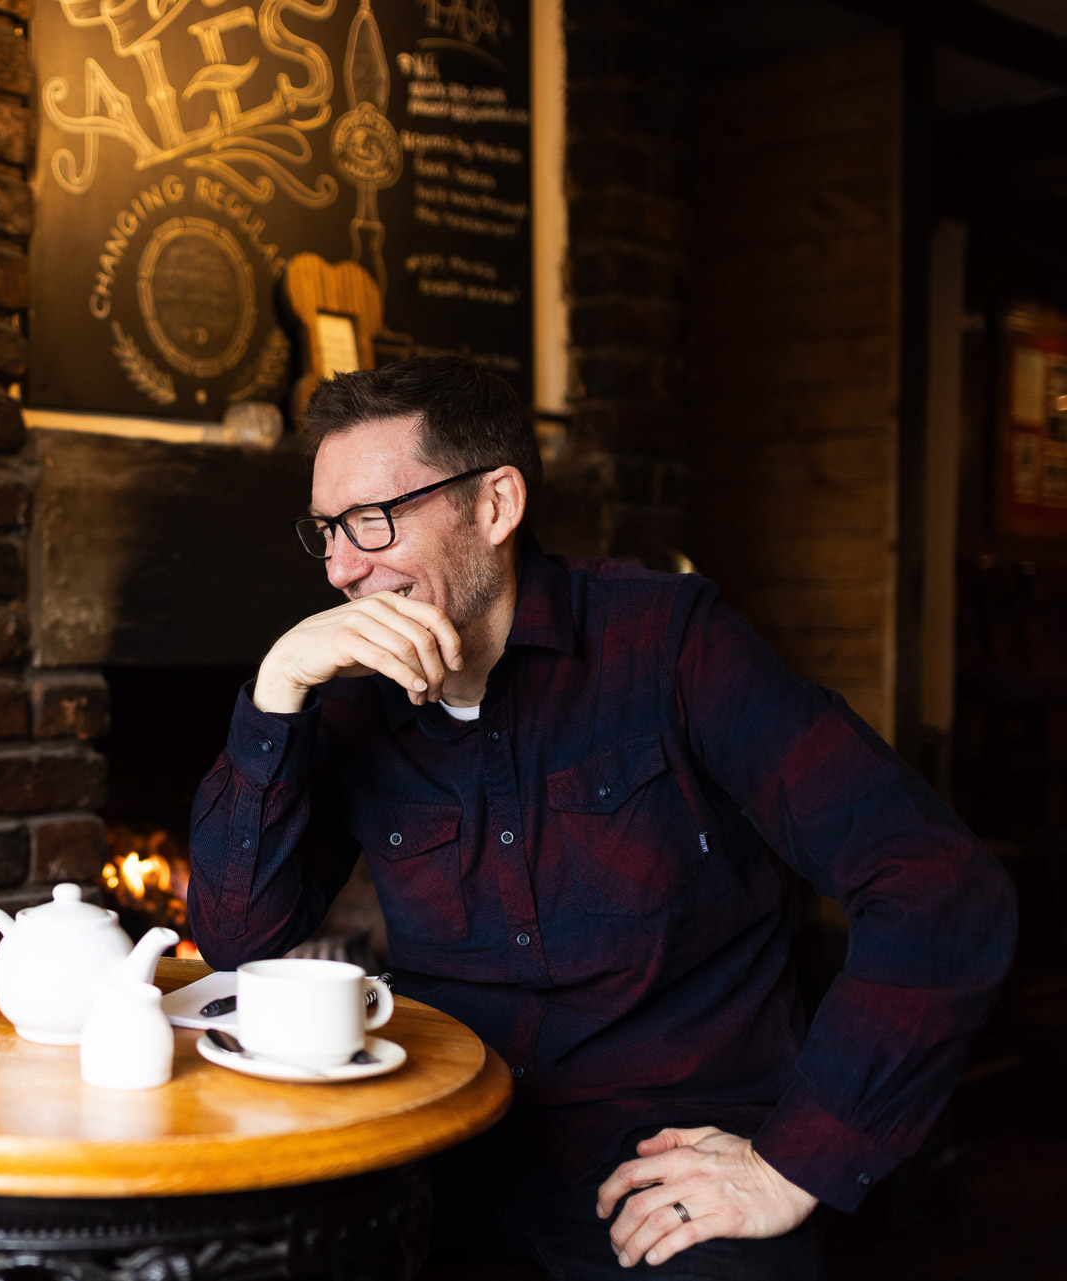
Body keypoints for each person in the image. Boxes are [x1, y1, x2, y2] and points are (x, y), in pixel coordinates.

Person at [187, 357, 1015, 1279]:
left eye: (375, 520)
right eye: (329, 529)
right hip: (447, 1164)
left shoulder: (669, 644)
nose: (343, 568)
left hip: (671, 1181)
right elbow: (236, 938)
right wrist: (276, 690)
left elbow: (938, 884)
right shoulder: (348, 696)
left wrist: (792, 1164)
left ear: (496, 505)